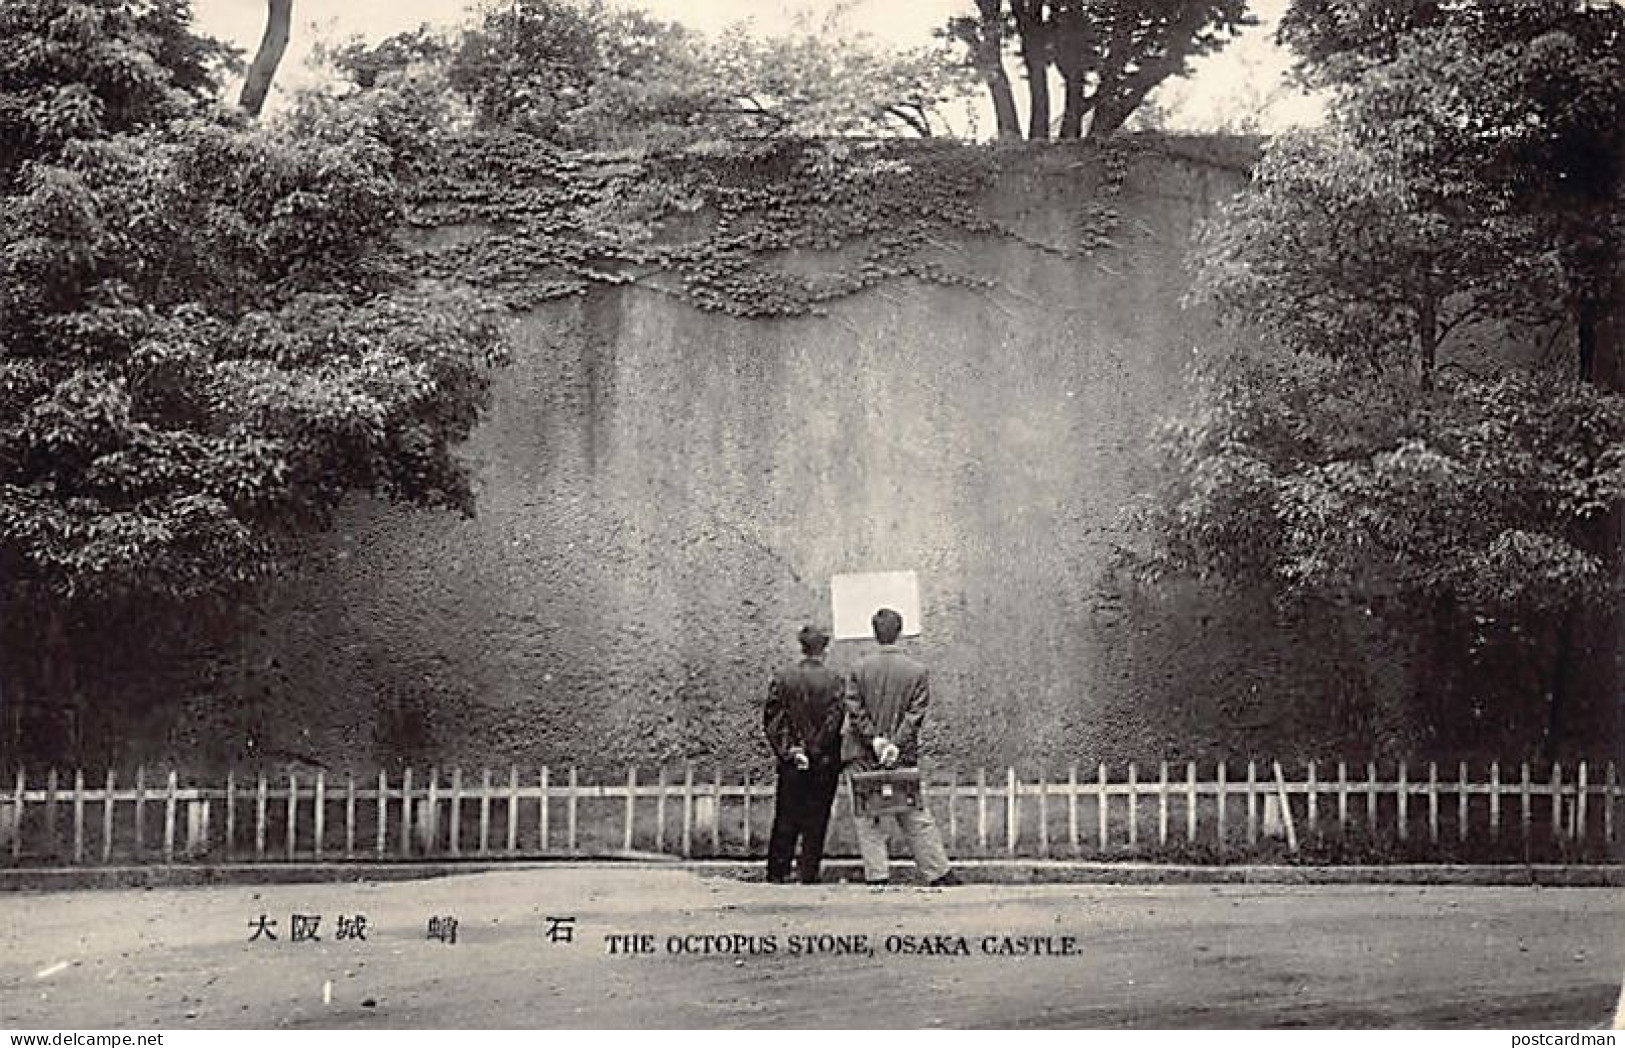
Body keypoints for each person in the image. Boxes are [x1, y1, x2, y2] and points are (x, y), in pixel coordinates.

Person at [841, 607, 959, 887]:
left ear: (874, 633)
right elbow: (915, 715)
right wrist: (894, 744)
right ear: (900, 631)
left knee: (868, 816)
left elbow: (854, 710)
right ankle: (938, 872)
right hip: (902, 755)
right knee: (914, 814)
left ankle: (877, 876)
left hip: (863, 754)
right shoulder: (917, 671)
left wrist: (875, 740)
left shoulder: (858, 669)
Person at [762, 623, 847, 884]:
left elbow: (773, 721)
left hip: (792, 762)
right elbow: (834, 721)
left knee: (786, 814)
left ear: (802, 646)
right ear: (825, 648)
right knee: (817, 816)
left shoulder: (783, 678)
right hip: (823, 761)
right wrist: (816, 749)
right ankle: (807, 871)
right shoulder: (836, 681)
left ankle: (778, 871)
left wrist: (792, 751)